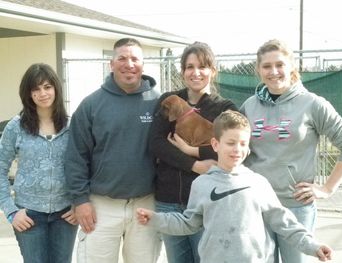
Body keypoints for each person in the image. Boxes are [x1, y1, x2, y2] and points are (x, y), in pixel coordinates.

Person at [137, 110, 333, 263]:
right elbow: (189, 223)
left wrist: (313, 245)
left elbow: (284, 222)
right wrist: (156, 219)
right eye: (230, 143)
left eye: (242, 144)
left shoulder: (258, 183)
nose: (237, 149)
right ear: (215, 144)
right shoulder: (201, 184)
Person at [240, 39, 342, 263]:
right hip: (256, 206)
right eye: (267, 66)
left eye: (280, 64)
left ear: (291, 66)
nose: (274, 72)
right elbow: (237, 150)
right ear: (258, 70)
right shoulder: (249, 106)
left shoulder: (313, 104)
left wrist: (327, 188)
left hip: (295, 208)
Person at [64, 38, 161, 263]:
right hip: (100, 207)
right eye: (122, 58)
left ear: (143, 65)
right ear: (111, 64)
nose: (129, 64)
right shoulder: (91, 105)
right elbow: (76, 156)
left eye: (135, 59)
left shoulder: (157, 102)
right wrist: (80, 201)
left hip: (145, 204)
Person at [149, 41, 238, 263]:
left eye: (202, 67)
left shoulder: (224, 108)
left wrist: (193, 150)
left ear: (213, 71)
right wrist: (195, 165)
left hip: (207, 203)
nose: (195, 73)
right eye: (189, 67)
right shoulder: (170, 101)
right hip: (169, 201)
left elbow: (232, 150)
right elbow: (156, 143)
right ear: (182, 71)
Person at [0, 63, 78, 263]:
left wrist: (80, 204)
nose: (42, 93)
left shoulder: (72, 126)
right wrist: (11, 211)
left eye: (47, 87)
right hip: (28, 215)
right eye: (35, 89)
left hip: (65, 215)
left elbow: (87, 168)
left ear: (56, 89)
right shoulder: (15, 127)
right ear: (28, 94)